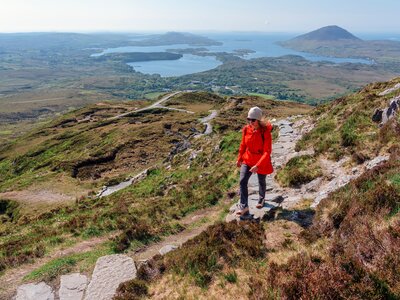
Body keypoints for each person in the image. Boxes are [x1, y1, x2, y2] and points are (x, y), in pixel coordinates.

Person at [236, 106, 273, 215]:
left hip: (261, 160)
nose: (250, 122)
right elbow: (243, 145)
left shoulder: (265, 132)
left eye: (253, 120)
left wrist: (258, 165)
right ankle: (244, 206)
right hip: (248, 159)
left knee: (261, 181)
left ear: (259, 120)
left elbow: (267, 151)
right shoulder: (246, 129)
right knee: (242, 181)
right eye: (249, 119)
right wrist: (239, 159)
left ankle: (261, 198)